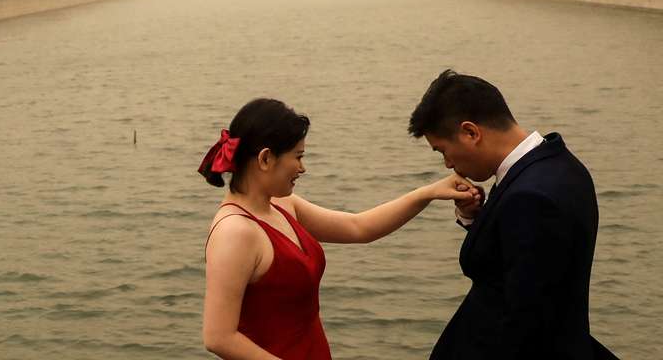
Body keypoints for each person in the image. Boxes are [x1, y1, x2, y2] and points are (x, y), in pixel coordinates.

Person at [201, 98, 477, 360]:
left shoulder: (284, 206)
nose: (302, 167)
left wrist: (428, 193)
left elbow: (360, 228)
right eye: (297, 156)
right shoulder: (235, 231)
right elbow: (219, 337)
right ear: (265, 159)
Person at [408, 69, 615, 360]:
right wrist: (477, 219)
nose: (447, 164)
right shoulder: (559, 163)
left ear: (471, 132)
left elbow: (526, 322)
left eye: (442, 150)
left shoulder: (531, 197)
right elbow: (522, 257)